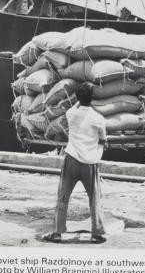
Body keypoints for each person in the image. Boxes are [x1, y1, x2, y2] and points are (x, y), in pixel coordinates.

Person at [44, 82, 107, 244]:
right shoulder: (99, 119)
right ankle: (96, 234)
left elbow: (78, 104)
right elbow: (103, 141)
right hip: (90, 163)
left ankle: (57, 233)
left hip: (71, 159)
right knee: (94, 198)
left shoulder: (71, 113)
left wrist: (81, 97)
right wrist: (98, 148)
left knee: (63, 196)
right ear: (92, 98)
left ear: (77, 98)